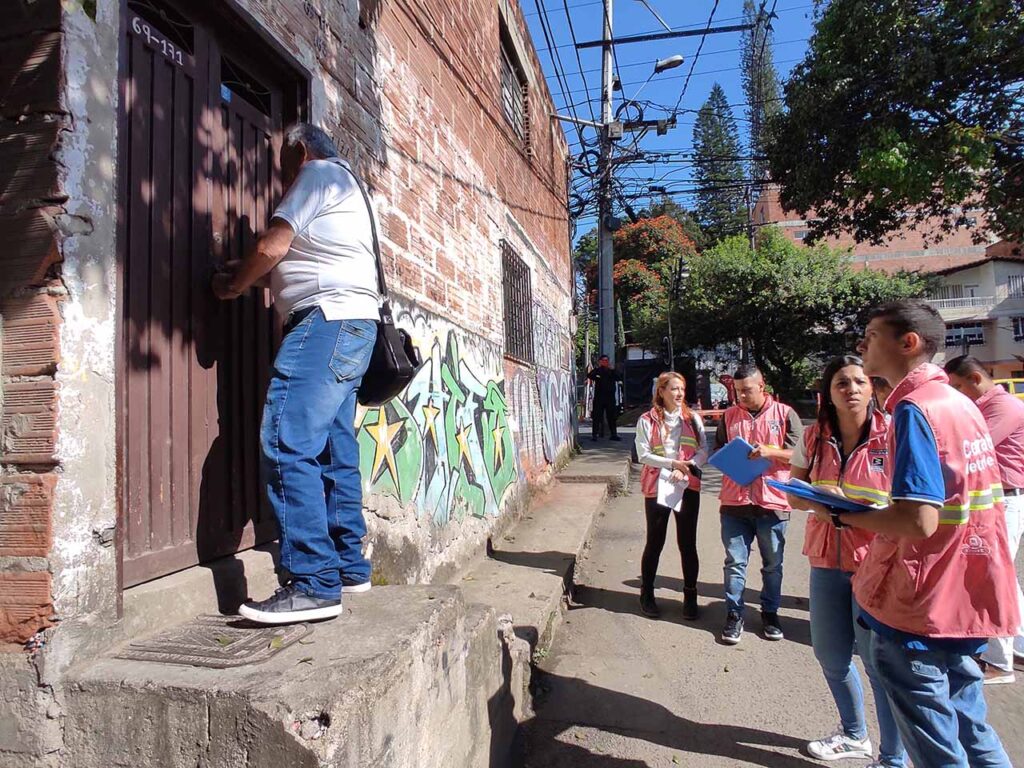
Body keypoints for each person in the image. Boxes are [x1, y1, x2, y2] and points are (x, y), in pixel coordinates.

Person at [212, 123, 380, 624]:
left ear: (300, 151)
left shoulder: (318, 174)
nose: (282, 181)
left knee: (287, 442)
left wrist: (234, 287)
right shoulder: (351, 188)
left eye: (283, 167)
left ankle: (313, 584)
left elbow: (271, 248)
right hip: (353, 327)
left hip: (325, 323)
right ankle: (349, 566)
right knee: (333, 448)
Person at [839, 300, 1018, 767]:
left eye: (872, 335)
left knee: (935, 742)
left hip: (922, 598)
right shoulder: (961, 403)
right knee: (969, 724)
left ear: (908, 343)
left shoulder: (916, 409)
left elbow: (919, 520)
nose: (863, 345)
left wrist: (845, 515)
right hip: (962, 591)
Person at [788, 356, 906, 768]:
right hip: (825, 559)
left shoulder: (893, 435)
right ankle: (855, 734)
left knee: (879, 665)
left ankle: (893, 757)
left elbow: (909, 504)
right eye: (842, 382)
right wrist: (823, 509)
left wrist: (854, 512)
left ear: (872, 389)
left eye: (859, 382)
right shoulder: (813, 436)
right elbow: (793, 492)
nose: (851, 389)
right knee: (831, 656)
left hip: (877, 565)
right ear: (829, 392)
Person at [944, 354, 1024, 684]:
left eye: (959, 387)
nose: (958, 394)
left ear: (975, 379)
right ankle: (1017, 646)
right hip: (996, 499)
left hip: (1003, 499)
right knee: (1005, 578)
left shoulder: (1002, 408)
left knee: (994, 577)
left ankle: (999, 660)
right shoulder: (989, 406)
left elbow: (970, 448)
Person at [714, 365, 803, 644]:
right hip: (735, 502)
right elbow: (718, 450)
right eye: (738, 391)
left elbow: (801, 457)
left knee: (772, 564)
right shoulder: (729, 416)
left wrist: (770, 451)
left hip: (772, 503)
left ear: (762, 386)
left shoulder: (786, 414)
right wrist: (729, 458)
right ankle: (734, 613)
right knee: (735, 563)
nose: (742, 396)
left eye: (747, 391)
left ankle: (770, 613)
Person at [635, 372, 708, 620]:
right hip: (658, 486)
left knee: (687, 543)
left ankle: (690, 596)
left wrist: (686, 466)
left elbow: (703, 451)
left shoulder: (693, 419)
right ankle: (647, 594)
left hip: (687, 486)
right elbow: (643, 454)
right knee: (655, 542)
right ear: (662, 391)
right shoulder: (647, 420)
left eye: (682, 389)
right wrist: (672, 464)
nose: (679, 394)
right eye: (674, 389)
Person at [588, 354, 622, 441]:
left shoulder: (611, 371)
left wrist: (612, 369)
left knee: (612, 416)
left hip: (610, 397)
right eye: (603, 361)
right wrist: (597, 372)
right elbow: (590, 375)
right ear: (600, 362)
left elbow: (618, 377)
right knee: (597, 416)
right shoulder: (597, 370)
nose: (605, 362)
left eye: (606, 361)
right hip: (599, 397)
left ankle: (614, 434)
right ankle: (594, 435)